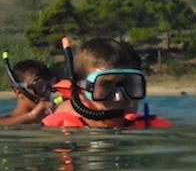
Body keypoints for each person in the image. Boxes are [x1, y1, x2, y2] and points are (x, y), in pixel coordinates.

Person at [42, 38, 170, 129]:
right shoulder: (59, 130)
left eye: (128, 84)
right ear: (80, 90)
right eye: (105, 85)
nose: (119, 98)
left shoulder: (150, 128)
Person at [0, 59, 55, 125]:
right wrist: (31, 116)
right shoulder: (3, 122)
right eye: (40, 86)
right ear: (18, 92)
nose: (47, 92)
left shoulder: (51, 116)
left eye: (50, 85)